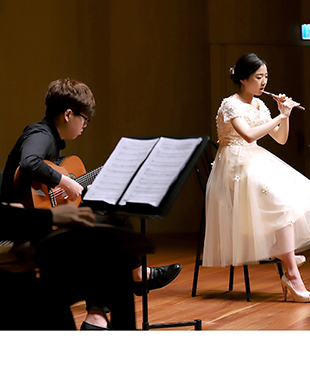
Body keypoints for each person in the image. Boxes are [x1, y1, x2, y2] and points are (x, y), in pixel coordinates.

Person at [1, 78, 181, 329]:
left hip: (33, 220)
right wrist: (65, 181)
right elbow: (30, 162)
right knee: (105, 223)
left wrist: (64, 188)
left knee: (108, 215)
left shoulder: (51, 140)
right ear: (68, 115)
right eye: (84, 119)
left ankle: (103, 310)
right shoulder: (40, 134)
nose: (85, 125)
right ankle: (126, 285)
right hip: (22, 225)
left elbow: (41, 182)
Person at [202, 53, 310, 302]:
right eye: (258, 77)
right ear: (243, 79)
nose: (264, 82)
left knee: (305, 189)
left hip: (254, 160)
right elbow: (249, 135)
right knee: (281, 203)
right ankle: (291, 273)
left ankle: (282, 250)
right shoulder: (230, 104)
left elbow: (281, 139)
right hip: (234, 165)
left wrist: (285, 114)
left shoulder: (260, 104)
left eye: (266, 76)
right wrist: (280, 117)